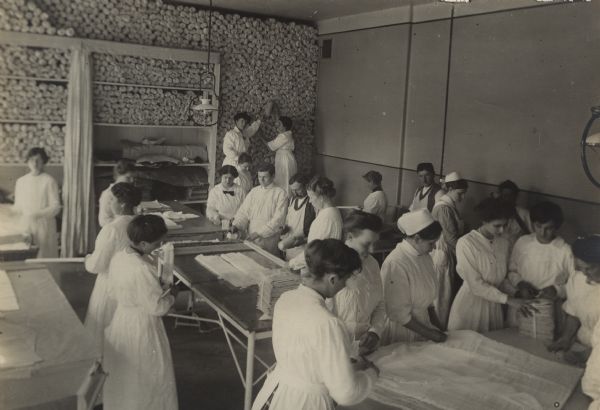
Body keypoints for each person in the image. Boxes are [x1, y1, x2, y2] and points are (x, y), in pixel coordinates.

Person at [251, 239, 379, 410]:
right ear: (333, 279)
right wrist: (370, 375)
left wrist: (349, 354)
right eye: (345, 281)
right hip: (306, 403)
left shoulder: (286, 299)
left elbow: (307, 352)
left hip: (277, 392)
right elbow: (345, 393)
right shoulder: (328, 323)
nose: (344, 287)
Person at [103, 215, 178, 410]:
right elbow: (157, 308)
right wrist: (171, 295)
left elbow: (111, 291)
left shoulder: (119, 257)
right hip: (143, 326)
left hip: (121, 320)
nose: (159, 246)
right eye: (157, 243)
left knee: (125, 378)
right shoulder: (143, 269)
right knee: (150, 376)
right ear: (143, 243)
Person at [447, 197, 536, 333]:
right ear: (484, 221)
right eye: (497, 226)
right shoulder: (466, 243)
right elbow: (475, 285)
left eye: (505, 225)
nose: (501, 230)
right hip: (471, 305)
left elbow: (500, 279)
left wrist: (517, 292)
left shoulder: (503, 243)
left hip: (494, 306)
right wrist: (509, 300)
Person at [84, 183, 141, 352]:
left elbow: (97, 265)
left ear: (122, 204)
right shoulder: (139, 224)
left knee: (101, 330)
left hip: (110, 285)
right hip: (132, 286)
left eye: (112, 201)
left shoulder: (112, 229)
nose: (109, 205)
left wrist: (88, 259)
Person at [381, 209, 447, 344]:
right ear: (417, 238)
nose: (434, 247)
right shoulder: (396, 263)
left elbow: (428, 303)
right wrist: (431, 334)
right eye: (431, 243)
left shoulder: (425, 257)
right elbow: (399, 313)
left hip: (425, 326)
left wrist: (438, 326)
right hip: (402, 331)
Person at [506, 201, 573, 326]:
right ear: (532, 224)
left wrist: (557, 290)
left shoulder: (564, 250)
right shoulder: (523, 242)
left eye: (549, 228)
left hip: (549, 309)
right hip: (523, 303)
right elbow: (512, 270)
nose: (542, 233)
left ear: (557, 226)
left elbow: (573, 283)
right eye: (538, 226)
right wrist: (520, 284)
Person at [329, 211, 386, 356]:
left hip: (365, 346)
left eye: (375, 244)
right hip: (334, 346)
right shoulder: (331, 264)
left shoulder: (372, 264)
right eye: (367, 244)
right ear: (349, 237)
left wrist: (375, 331)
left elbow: (380, 303)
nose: (373, 250)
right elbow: (322, 314)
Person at [549, 235, 600, 353]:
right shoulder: (578, 278)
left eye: (587, 269)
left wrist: (588, 356)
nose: (583, 273)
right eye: (580, 268)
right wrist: (565, 339)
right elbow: (574, 312)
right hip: (583, 343)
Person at [430, 171, 467, 326]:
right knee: (441, 296)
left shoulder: (449, 206)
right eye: (460, 193)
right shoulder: (444, 208)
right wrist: (464, 256)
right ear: (450, 189)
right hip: (443, 254)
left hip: (447, 253)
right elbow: (451, 239)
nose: (463, 197)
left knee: (444, 294)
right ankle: (438, 327)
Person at [13, 147, 61, 258]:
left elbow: (55, 207)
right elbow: (18, 206)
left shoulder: (49, 181)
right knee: (26, 257)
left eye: (38, 160)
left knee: (44, 257)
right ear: (27, 162)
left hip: (44, 226)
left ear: (43, 161)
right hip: (26, 225)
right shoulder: (21, 182)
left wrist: (36, 214)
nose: (35, 163)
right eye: (31, 160)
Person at [232, 163, 288, 255]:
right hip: (251, 236)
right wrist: (236, 225)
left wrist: (259, 233)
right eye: (259, 177)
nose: (261, 180)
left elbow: (278, 220)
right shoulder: (254, 191)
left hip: (269, 239)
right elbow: (244, 212)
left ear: (273, 176)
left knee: (267, 264)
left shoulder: (280, 193)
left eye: (265, 177)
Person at [289, 175, 343, 269]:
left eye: (311, 197)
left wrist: (292, 263)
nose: (310, 201)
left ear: (321, 197)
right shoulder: (329, 212)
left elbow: (315, 251)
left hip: (320, 267)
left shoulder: (327, 217)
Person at [278, 174, 316, 261]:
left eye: (297, 189)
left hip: (303, 247)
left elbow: (311, 228)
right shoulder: (292, 200)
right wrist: (284, 228)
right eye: (292, 190)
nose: (295, 193)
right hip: (290, 246)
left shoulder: (312, 202)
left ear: (306, 186)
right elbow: (288, 220)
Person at [222, 102, 273, 167]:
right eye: (242, 121)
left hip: (242, 163)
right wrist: (238, 158)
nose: (243, 124)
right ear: (236, 121)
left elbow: (252, 129)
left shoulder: (244, 133)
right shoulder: (231, 134)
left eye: (245, 122)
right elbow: (226, 150)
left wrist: (260, 120)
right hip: (231, 163)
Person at [264, 116, 297, 193]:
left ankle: (285, 198)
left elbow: (271, 147)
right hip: (286, 158)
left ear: (284, 126)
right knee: (285, 179)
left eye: (279, 124)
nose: (277, 126)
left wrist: (261, 135)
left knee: (284, 179)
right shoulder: (286, 134)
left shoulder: (284, 135)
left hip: (285, 159)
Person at [98, 159, 135, 228]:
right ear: (117, 176)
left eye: (133, 178)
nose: (132, 180)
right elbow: (103, 221)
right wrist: (123, 223)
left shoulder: (129, 191)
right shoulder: (108, 194)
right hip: (115, 231)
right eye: (128, 177)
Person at [496, 180, 532, 250]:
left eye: (511, 196)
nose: (507, 199)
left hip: (518, 251)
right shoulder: (495, 212)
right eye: (504, 195)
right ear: (500, 196)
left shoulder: (524, 213)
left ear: (516, 196)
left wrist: (516, 216)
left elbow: (532, 236)